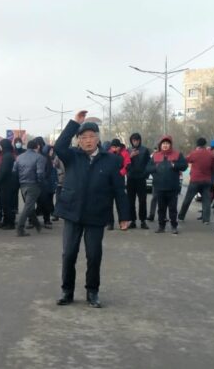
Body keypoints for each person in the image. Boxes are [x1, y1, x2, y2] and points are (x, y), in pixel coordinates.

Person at [53, 111, 130, 308]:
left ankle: (92, 292)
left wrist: (124, 215)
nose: (88, 140)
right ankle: (67, 291)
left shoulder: (111, 160)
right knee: (69, 254)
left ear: (98, 139)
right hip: (72, 212)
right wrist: (74, 123)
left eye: (91, 136)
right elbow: (59, 145)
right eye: (84, 137)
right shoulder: (72, 156)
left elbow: (119, 190)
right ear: (78, 140)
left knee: (94, 255)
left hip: (96, 213)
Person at [146, 136, 188, 235]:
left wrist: (175, 165)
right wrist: (155, 167)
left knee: (172, 208)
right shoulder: (155, 155)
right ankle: (161, 226)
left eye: (167, 143)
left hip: (172, 187)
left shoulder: (177, 154)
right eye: (163, 143)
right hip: (159, 187)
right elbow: (147, 168)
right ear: (160, 145)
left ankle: (174, 226)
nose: (165, 145)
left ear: (170, 145)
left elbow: (184, 166)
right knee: (161, 209)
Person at [13, 139, 46, 236]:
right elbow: (40, 173)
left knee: (29, 206)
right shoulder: (39, 157)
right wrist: (41, 183)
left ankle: (37, 225)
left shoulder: (19, 157)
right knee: (28, 207)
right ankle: (20, 228)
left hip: (23, 184)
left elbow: (14, 170)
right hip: (33, 184)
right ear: (37, 147)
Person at [178, 138, 214, 224]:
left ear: (197, 144)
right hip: (207, 180)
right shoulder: (211, 154)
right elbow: (213, 168)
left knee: (188, 199)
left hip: (195, 180)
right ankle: (206, 220)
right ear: (205, 144)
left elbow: (185, 160)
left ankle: (181, 217)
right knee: (206, 200)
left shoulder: (194, 153)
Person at [126, 133, 151, 229]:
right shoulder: (128, 150)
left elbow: (149, 163)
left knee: (142, 200)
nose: (135, 142)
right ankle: (132, 220)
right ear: (131, 141)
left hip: (141, 178)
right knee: (130, 201)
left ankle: (143, 220)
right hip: (131, 178)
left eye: (137, 140)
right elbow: (124, 163)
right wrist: (130, 156)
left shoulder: (145, 150)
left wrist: (145, 174)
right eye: (133, 140)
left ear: (140, 140)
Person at [0, 139, 19, 231]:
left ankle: (10, 223)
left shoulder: (7, 156)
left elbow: (3, 171)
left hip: (7, 183)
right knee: (6, 203)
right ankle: (5, 221)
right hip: (9, 183)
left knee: (7, 204)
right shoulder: (9, 155)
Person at [106, 138, 131, 230]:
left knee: (122, 203)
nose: (115, 149)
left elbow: (128, 165)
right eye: (113, 147)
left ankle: (123, 221)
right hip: (109, 181)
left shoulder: (125, 153)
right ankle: (110, 222)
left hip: (119, 180)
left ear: (120, 147)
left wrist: (121, 173)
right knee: (108, 202)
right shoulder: (108, 153)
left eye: (116, 147)